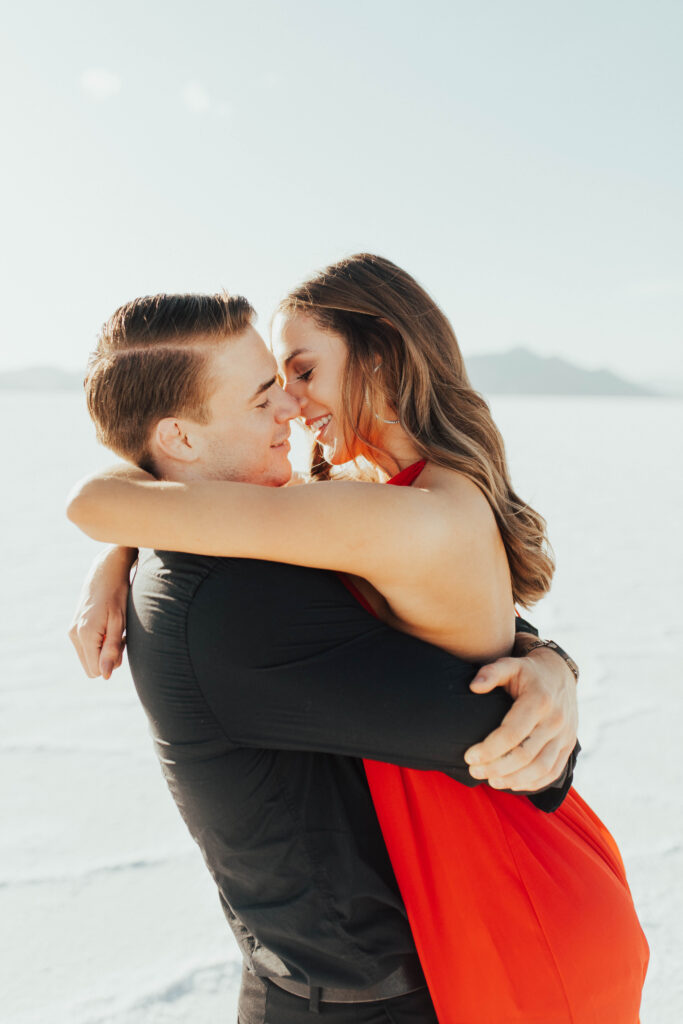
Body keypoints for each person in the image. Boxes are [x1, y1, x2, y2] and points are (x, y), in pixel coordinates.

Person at [65, 272, 642, 1022]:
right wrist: (124, 546)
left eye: (298, 374)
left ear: (379, 359)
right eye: (269, 387)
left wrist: (548, 669)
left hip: (512, 870)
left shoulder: (375, 510)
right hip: (472, 871)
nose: (289, 405)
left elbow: (99, 501)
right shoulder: (366, 491)